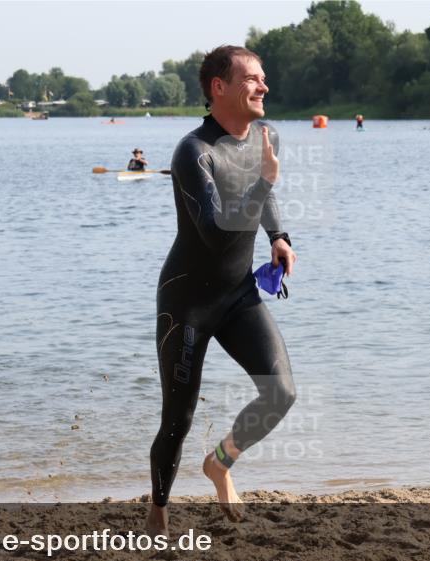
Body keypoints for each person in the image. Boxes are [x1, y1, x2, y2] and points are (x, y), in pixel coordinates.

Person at [147, 45, 298, 536]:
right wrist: (263, 187)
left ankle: (220, 463)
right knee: (178, 420)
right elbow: (216, 231)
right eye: (253, 79)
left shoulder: (266, 136)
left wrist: (278, 237)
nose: (264, 87)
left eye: (263, 78)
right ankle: (158, 510)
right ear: (220, 88)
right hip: (186, 303)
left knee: (280, 394)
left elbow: (264, 194)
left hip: (237, 295)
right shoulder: (194, 152)